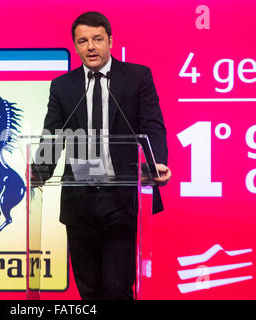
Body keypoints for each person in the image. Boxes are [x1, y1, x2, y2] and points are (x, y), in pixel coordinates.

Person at [34, 11, 171, 300]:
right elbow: (53, 134)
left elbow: (152, 126)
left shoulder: (137, 77)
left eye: (97, 39)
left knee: (116, 288)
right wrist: (38, 171)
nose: (91, 47)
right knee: (90, 291)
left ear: (111, 40)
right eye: (83, 41)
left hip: (121, 198)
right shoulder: (63, 86)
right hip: (79, 199)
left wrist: (156, 163)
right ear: (75, 45)